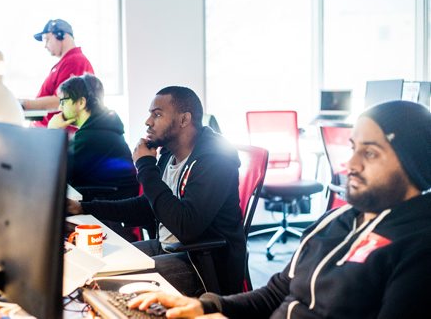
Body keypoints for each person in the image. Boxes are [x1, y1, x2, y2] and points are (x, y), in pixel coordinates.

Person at [128, 100, 431, 319]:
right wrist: (208, 306)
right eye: (353, 149)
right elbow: (277, 292)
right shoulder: (334, 221)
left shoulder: (418, 245)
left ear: (412, 161)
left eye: (370, 152)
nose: (350, 164)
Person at [67, 86, 246, 296]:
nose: (148, 121)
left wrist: (145, 166)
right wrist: (83, 208)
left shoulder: (216, 160)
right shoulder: (169, 154)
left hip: (203, 262)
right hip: (169, 247)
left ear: (184, 120)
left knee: (106, 285)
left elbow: (186, 226)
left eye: (157, 114)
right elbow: (146, 206)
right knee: (95, 266)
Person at [48, 74, 140, 241]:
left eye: (63, 101)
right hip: (106, 203)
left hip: (111, 217)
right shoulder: (98, 129)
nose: (60, 108)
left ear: (81, 102)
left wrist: (52, 132)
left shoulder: (93, 136)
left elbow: (55, 172)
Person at [20, 19, 94, 128]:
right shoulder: (65, 62)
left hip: (59, 135)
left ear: (60, 35)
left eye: (47, 39)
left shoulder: (75, 62)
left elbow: (61, 100)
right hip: (49, 132)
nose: (45, 45)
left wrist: (24, 104)